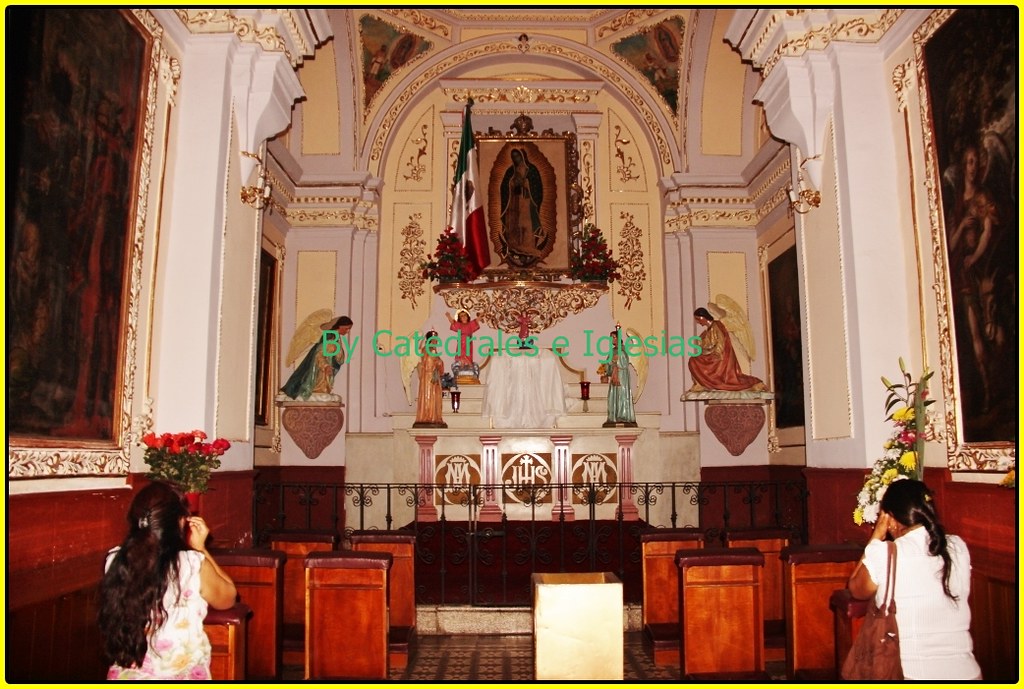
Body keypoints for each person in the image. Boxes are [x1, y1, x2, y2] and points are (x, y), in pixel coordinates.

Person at [98, 482, 237, 680]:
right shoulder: (190, 564)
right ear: (180, 522)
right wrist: (200, 548)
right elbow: (228, 598)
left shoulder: (114, 560)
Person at [847, 479, 981, 680]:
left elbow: (856, 588)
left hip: (914, 672)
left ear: (890, 519)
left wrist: (876, 537)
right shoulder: (958, 546)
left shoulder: (886, 553)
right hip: (967, 672)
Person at [687, 307, 766, 392]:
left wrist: (715, 353)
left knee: (693, 361)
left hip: (721, 357)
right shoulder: (708, 330)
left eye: (698, 319)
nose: (698, 322)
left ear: (703, 317)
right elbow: (705, 345)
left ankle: (703, 384)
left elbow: (720, 342)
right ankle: (702, 383)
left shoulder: (716, 325)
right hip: (713, 355)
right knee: (694, 360)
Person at [281, 316, 353, 400]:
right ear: (340, 326)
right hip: (320, 369)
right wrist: (326, 366)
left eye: (349, 329)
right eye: (346, 328)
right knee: (319, 387)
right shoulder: (331, 337)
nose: (348, 331)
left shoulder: (334, 336)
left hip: (325, 367)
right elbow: (320, 354)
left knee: (323, 390)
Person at [500, 148, 545, 262]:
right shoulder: (511, 171)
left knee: (526, 225)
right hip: (513, 204)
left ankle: (528, 248)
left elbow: (538, 188)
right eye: (513, 157)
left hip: (526, 202)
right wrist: (512, 183)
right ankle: (514, 247)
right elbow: (504, 187)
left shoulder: (531, 170)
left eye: (518, 156)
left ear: (523, 156)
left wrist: (526, 184)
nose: (516, 159)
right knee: (514, 226)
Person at [413, 331, 446, 428]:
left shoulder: (434, 351)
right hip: (428, 377)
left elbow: (439, 366)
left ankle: (434, 417)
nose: (435, 342)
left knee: (435, 397)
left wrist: (439, 363)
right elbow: (426, 363)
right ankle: (427, 416)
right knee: (428, 396)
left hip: (434, 378)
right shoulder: (425, 350)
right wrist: (437, 361)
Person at [604, 329, 637, 427]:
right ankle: (613, 416)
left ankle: (623, 416)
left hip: (621, 375)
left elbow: (625, 362)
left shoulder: (623, 350)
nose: (612, 339)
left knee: (622, 395)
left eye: (614, 337)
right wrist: (610, 364)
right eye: (611, 338)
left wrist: (618, 359)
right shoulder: (613, 351)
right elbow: (607, 363)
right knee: (614, 396)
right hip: (614, 376)